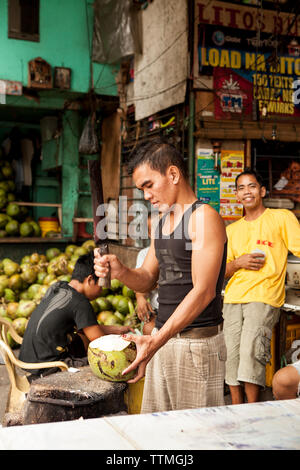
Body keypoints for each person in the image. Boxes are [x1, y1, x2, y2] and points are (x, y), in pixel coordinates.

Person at [94, 137, 227, 413]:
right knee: (158, 434)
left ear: (173, 174)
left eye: (148, 185)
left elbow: (204, 291)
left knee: (194, 438)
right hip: (162, 339)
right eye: (141, 188)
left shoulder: (203, 217)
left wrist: (157, 338)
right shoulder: (163, 222)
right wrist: (120, 271)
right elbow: (147, 277)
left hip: (195, 346)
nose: (145, 195)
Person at [223, 168, 300, 405]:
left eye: (252, 186)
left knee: (251, 353)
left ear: (262, 191)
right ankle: (236, 408)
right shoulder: (231, 230)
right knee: (231, 356)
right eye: (242, 188)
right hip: (233, 298)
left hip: (264, 296)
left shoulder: (281, 218)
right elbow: (221, 271)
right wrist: (238, 262)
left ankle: (252, 409)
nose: (247, 191)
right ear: (237, 195)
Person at [19, 252, 131, 381]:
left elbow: (89, 328)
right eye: (101, 286)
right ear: (89, 280)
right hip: (48, 367)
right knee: (105, 363)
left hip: (28, 360)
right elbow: (101, 343)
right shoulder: (81, 302)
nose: (101, 291)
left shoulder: (58, 286)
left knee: (78, 339)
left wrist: (118, 330)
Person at [135, 212, 159, 335]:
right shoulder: (144, 254)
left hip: (179, 310)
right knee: (148, 329)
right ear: (150, 234)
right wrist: (140, 298)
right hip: (157, 310)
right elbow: (140, 282)